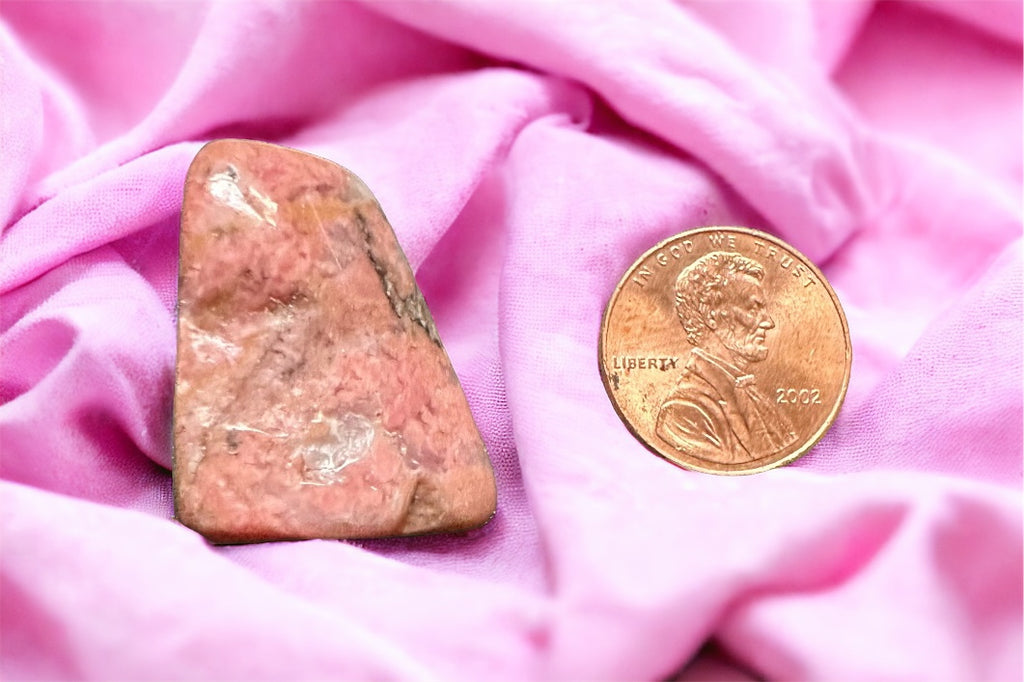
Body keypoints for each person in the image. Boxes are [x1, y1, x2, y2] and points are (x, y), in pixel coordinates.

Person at [656, 252, 797, 465]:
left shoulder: (755, 396)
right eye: (753, 308)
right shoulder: (684, 412)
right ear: (712, 315)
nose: (768, 322)